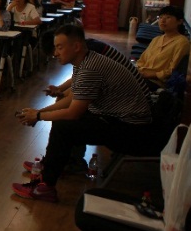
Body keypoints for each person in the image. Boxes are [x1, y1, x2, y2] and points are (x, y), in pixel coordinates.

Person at [13, 25, 158, 203]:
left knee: (63, 127)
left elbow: (73, 113)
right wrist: (39, 112)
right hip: (121, 119)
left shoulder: (90, 68)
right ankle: (57, 164)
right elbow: (73, 99)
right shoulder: (85, 61)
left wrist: (38, 116)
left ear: (76, 46)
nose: (55, 53)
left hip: (132, 129)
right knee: (63, 121)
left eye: (60, 47)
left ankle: (46, 186)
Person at [136, 5, 190, 89]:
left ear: (179, 21)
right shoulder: (156, 39)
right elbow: (141, 60)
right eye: (160, 17)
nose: (162, 20)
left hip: (157, 83)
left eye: (168, 17)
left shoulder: (182, 42)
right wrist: (138, 71)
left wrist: (152, 75)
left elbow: (173, 70)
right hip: (141, 76)